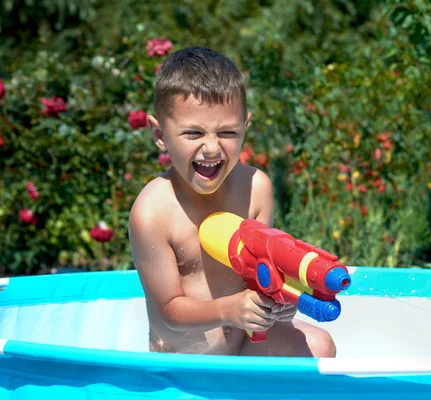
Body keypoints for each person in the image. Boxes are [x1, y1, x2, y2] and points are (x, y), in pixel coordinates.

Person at [128, 47, 336, 357]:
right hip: (183, 367)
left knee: (320, 345)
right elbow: (170, 310)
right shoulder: (152, 213)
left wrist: (279, 303)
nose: (211, 148)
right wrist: (228, 309)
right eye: (193, 132)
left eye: (227, 132)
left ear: (245, 127)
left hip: (244, 345)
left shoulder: (255, 188)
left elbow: (261, 271)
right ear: (160, 134)